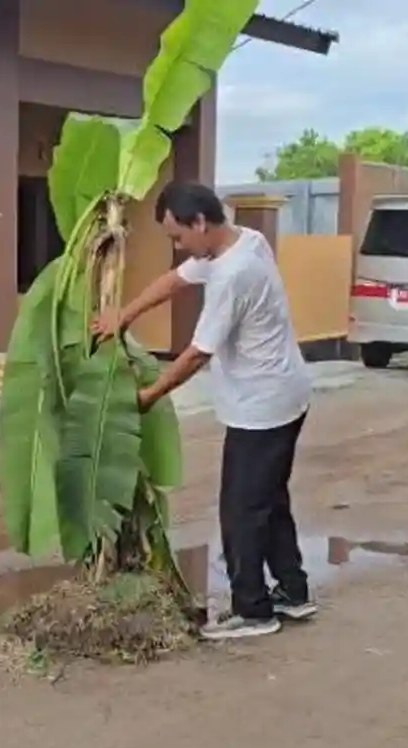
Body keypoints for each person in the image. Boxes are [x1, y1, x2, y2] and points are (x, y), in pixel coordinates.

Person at [93, 180, 316, 640]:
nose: (177, 247)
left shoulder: (233, 276)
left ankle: (253, 610)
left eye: (178, 237)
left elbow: (197, 353)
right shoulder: (245, 242)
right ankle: (293, 592)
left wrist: (147, 397)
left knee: (240, 509)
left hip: (263, 406)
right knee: (268, 499)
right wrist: (124, 316)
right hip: (285, 393)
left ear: (200, 223)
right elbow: (175, 280)